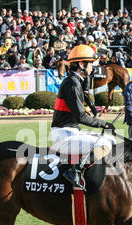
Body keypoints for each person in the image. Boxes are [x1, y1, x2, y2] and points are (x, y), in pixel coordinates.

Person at [51, 44, 115, 191]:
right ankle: (75, 170)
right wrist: (103, 123)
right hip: (63, 136)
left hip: (72, 132)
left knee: (110, 140)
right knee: (105, 144)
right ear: (81, 64)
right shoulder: (72, 83)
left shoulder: (76, 82)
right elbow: (81, 116)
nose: (92, 67)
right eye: (90, 64)